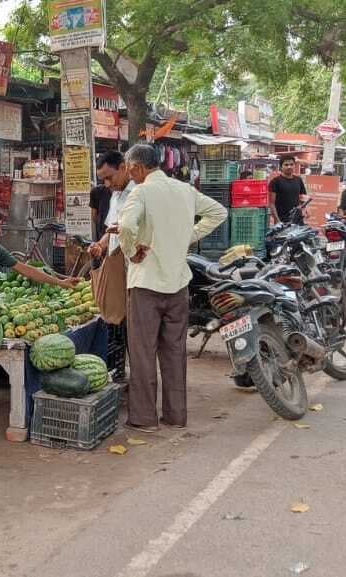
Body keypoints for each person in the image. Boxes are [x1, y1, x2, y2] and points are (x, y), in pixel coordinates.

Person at [117, 144, 228, 432]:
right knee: (175, 352)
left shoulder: (141, 192)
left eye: (130, 169)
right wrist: (187, 236)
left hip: (146, 285)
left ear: (138, 167)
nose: (130, 175)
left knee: (142, 353)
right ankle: (176, 416)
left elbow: (126, 226)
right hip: (178, 284)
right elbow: (219, 212)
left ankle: (144, 419)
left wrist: (131, 252)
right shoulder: (184, 190)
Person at [88, 151, 136, 259]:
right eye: (103, 180)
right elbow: (111, 232)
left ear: (123, 168)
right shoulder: (114, 195)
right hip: (116, 264)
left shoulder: (139, 193)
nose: (107, 184)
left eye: (109, 178)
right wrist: (100, 245)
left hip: (137, 265)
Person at [269, 157, 308, 224]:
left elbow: (303, 199)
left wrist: (305, 210)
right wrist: (277, 220)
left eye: (291, 164)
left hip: (298, 220)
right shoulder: (275, 181)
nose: (289, 167)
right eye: (286, 165)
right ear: (281, 167)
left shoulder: (298, 180)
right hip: (282, 221)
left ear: (294, 166)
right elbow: (271, 203)